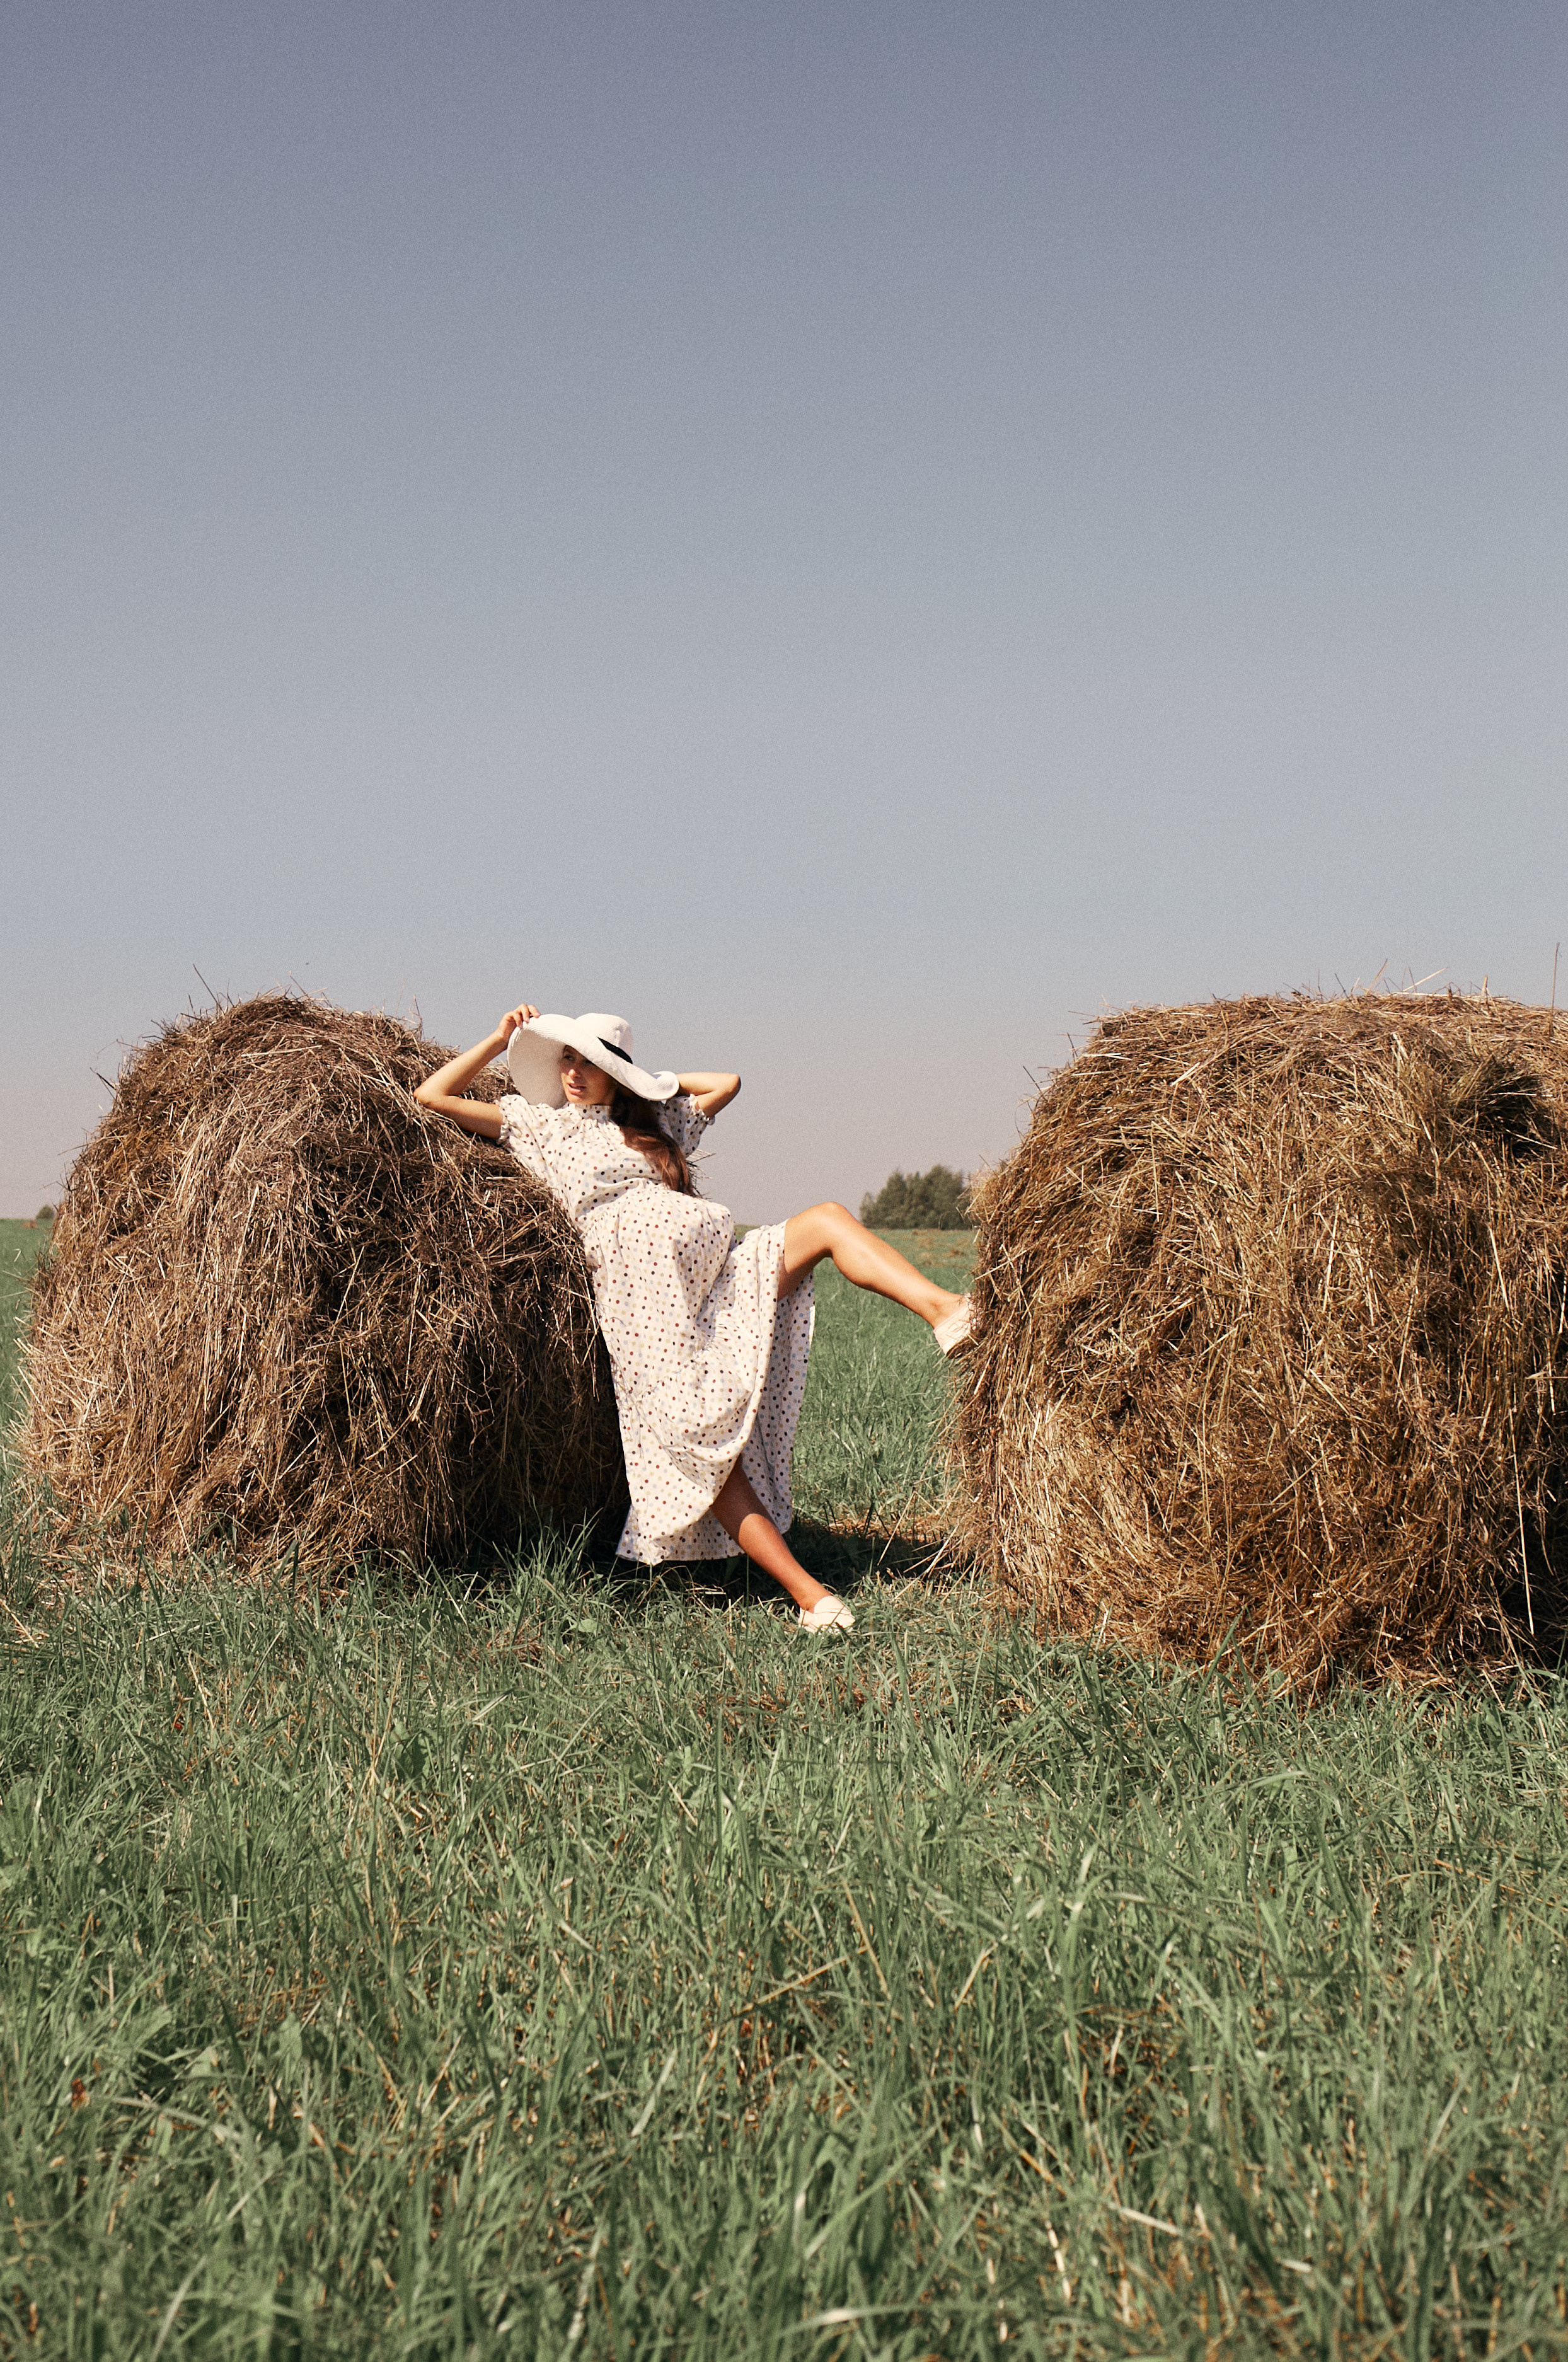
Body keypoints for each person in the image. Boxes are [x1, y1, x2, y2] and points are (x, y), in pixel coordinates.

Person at [415, 1005, 972, 1632]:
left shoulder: (659, 1127)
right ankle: (811, 1597)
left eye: (590, 1062)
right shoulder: (542, 1127)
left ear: (616, 1074)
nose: (573, 1072)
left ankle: (946, 1312)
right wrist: (498, 1038)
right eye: (567, 1058)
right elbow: (431, 1095)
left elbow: (725, 1082)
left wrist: (651, 1084)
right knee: (709, 1447)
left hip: (716, 1277)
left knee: (827, 1219)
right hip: (646, 1308)